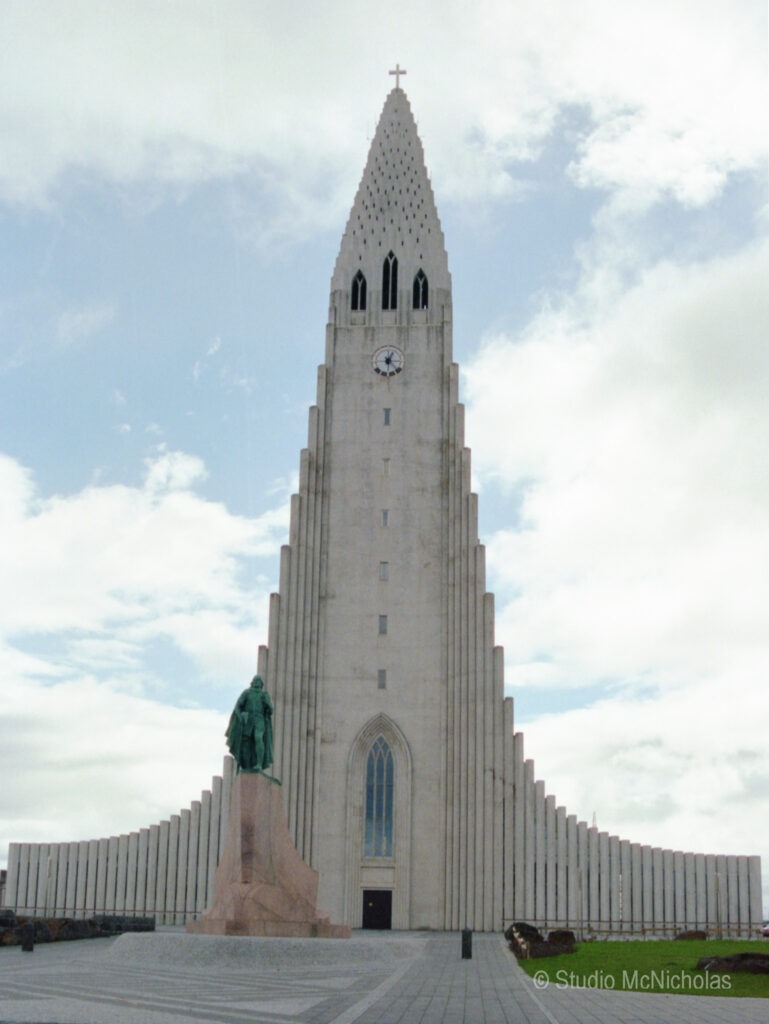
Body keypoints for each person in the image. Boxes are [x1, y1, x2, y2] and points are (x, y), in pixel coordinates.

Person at [225, 675, 274, 774]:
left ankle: (259, 764)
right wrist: (240, 717)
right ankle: (246, 765)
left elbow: (271, 709)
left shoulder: (264, 695)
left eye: (259, 681)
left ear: (261, 684)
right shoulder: (247, 693)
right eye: (255, 680)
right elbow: (238, 706)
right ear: (252, 682)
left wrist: (267, 704)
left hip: (259, 719)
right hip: (248, 719)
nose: (257, 682)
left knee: (258, 738)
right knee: (246, 743)